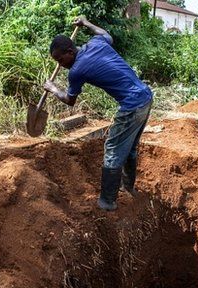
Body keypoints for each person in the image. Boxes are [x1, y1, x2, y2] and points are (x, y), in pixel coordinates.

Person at [44, 16, 153, 211]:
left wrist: (53, 88)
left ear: (70, 52)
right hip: (145, 97)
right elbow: (105, 33)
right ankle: (128, 187)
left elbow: (70, 100)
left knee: (112, 149)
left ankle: (107, 201)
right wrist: (85, 23)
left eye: (61, 60)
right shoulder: (96, 43)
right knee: (130, 147)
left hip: (132, 105)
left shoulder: (76, 71)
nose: (60, 65)